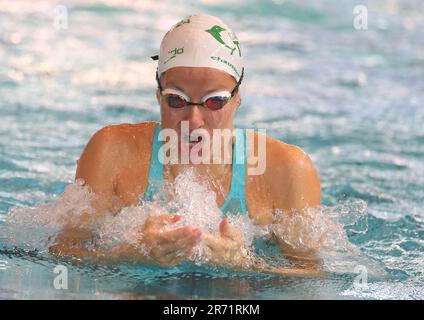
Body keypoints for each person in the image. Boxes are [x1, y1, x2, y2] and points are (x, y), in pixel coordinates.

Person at [49, 14, 322, 276]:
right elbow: (62, 255)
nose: (193, 120)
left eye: (214, 101)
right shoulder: (112, 152)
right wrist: (129, 253)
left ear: (238, 97)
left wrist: (246, 264)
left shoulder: (287, 169)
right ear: (158, 95)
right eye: (176, 100)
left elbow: (311, 276)